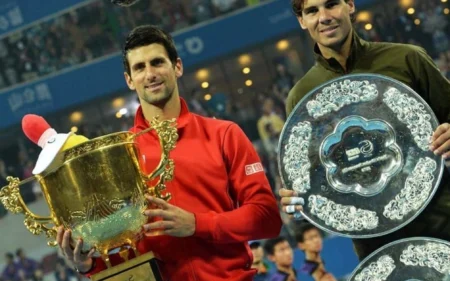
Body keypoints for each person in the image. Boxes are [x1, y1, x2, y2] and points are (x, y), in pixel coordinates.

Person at [56, 25, 282, 281]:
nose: (150, 74)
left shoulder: (224, 134)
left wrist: (197, 224)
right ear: (129, 80)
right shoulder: (116, 158)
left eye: (157, 62)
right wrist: (89, 265)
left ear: (177, 67)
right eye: (140, 68)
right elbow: (126, 250)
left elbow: (267, 218)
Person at [279, 0, 450, 261]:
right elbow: (312, 181)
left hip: (441, 221)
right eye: (312, 11)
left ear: (349, 5)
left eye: (331, 4)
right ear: (302, 21)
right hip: (377, 248)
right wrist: (296, 198)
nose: (324, 17)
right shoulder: (302, 97)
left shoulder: (407, 59)